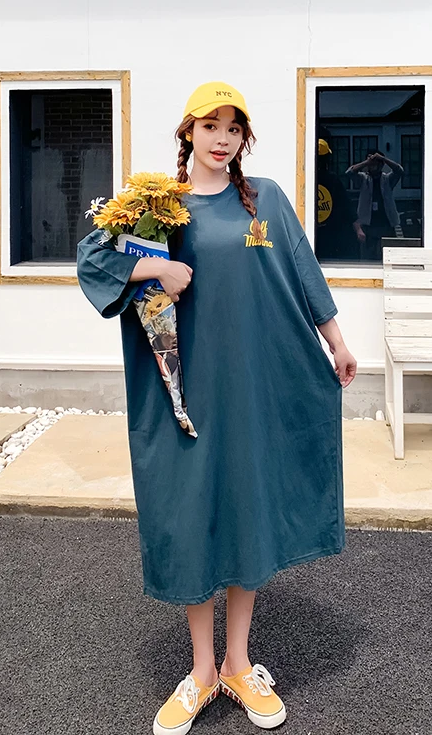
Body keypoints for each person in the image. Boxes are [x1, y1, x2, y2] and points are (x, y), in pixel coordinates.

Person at [76, 81, 357, 734]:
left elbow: (303, 274)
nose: (222, 138)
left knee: (246, 508)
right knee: (192, 517)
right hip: (185, 396)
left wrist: (337, 343)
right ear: (188, 134)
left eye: (234, 128)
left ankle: (237, 662)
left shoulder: (266, 201)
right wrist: (153, 270)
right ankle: (201, 671)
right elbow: (92, 259)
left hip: (253, 387)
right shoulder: (157, 207)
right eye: (211, 126)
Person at [346, 151, 404, 262]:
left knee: (387, 258)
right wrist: (366, 162)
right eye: (371, 164)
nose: (372, 166)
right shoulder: (363, 179)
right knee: (367, 258)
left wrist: (383, 159)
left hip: (386, 224)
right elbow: (349, 172)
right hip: (368, 226)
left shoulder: (387, 179)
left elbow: (399, 170)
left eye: (375, 163)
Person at [315, 137, 357, 261]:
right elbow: (346, 205)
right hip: (332, 232)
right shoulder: (332, 179)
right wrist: (357, 227)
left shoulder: (306, 178)